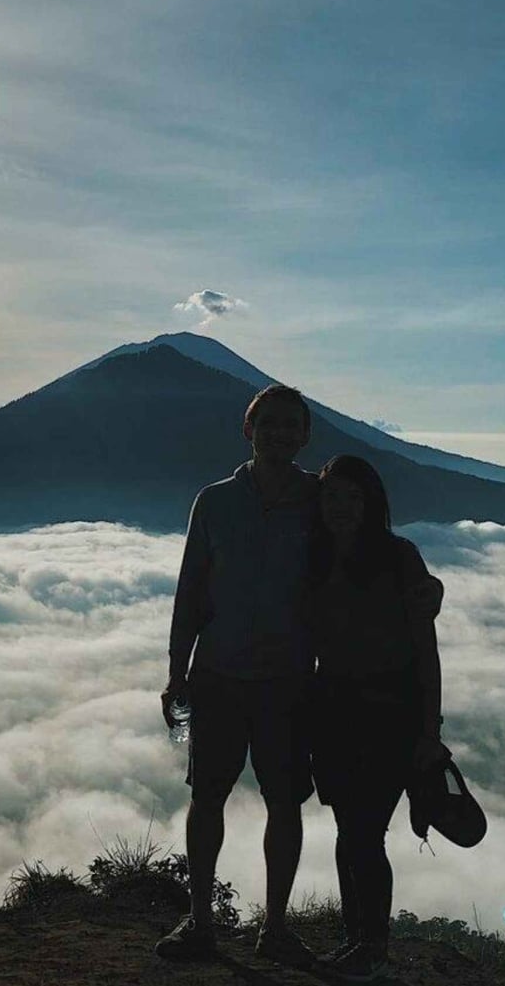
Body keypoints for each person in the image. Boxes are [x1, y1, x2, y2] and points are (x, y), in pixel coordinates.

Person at [154, 384, 322, 968]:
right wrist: (178, 674)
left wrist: (420, 589)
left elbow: (359, 565)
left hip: (289, 682)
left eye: (289, 425)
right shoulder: (214, 502)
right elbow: (190, 593)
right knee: (208, 797)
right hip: (219, 676)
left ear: (304, 437)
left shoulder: (320, 502)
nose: (278, 433)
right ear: (247, 430)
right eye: (267, 423)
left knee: (284, 803)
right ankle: (201, 920)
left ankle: (274, 927)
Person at [306, 454, 446, 981]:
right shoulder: (314, 556)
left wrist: (429, 732)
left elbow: (425, 649)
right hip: (333, 713)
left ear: (371, 504)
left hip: (390, 715)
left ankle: (371, 946)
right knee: (350, 830)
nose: (339, 507)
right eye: (330, 496)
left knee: (364, 833)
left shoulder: (398, 557)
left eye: (351, 497)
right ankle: (357, 941)